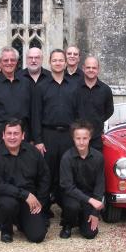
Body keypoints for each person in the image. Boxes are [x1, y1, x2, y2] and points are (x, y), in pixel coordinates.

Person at [0, 119, 50, 243]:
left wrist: (41, 201)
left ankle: (21, 222)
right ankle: (6, 229)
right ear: (3, 135)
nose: (12, 137)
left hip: (30, 200)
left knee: (38, 236)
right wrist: (25, 194)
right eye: (9, 133)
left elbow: (45, 177)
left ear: (23, 136)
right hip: (7, 198)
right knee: (8, 205)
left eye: (16, 133)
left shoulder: (33, 152)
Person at [31, 49, 77, 214]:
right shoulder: (41, 87)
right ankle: (44, 209)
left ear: (65, 63)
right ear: (49, 63)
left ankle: (67, 209)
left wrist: (76, 139)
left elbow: (78, 115)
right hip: (48, 135)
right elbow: (35, 115)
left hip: (68, 136)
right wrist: (38, 140)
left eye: (61, 60)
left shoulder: (74, 87)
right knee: (46, 174)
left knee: (66, 172)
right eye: (55, 60)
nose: (58, 63)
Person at [0, 47, 34, 153]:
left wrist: (33, 138)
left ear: (17, 62)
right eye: (5, 60)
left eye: (12, 60)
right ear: (0, 62)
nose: (9, 63)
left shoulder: (27, 83)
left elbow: (32, 113)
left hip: (23, 134)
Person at [59, 122, 104, 240]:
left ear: (90, 138)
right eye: (78, 138)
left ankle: (81, 220)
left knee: (90, 234)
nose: (81, 142)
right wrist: (90, 200)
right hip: (72, 196)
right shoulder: (67, 158)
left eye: (85, 138)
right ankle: (67, 224)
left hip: (90, 198)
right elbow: (67, 187)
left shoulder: (98, 157)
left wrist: (95, 213)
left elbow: (100, 185)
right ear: (73, 139)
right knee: (72, 207)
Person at [73, 56, 114, 151]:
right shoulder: (74, 89)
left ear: (98, 69)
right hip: (78, 138)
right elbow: (70, 110)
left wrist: (98, 120)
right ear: (83, 68)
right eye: (88, 67)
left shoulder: (105, 90)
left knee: (96, 164)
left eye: (94, 68)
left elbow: (110, 110)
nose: (91, 70)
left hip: (96, 138)